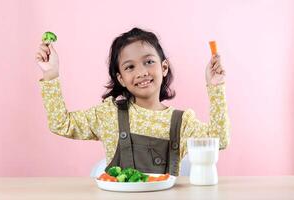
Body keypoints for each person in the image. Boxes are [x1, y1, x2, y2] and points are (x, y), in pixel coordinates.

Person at [35, 27, 230, 176]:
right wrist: (51, 74)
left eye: (148, 62)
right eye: (129, 67)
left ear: (164, 68)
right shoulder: (109, 114)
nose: (141, 72)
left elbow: (219, 141)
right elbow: (61, 124)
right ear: (121, 79)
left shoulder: (183, 122)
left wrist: (215, 88)